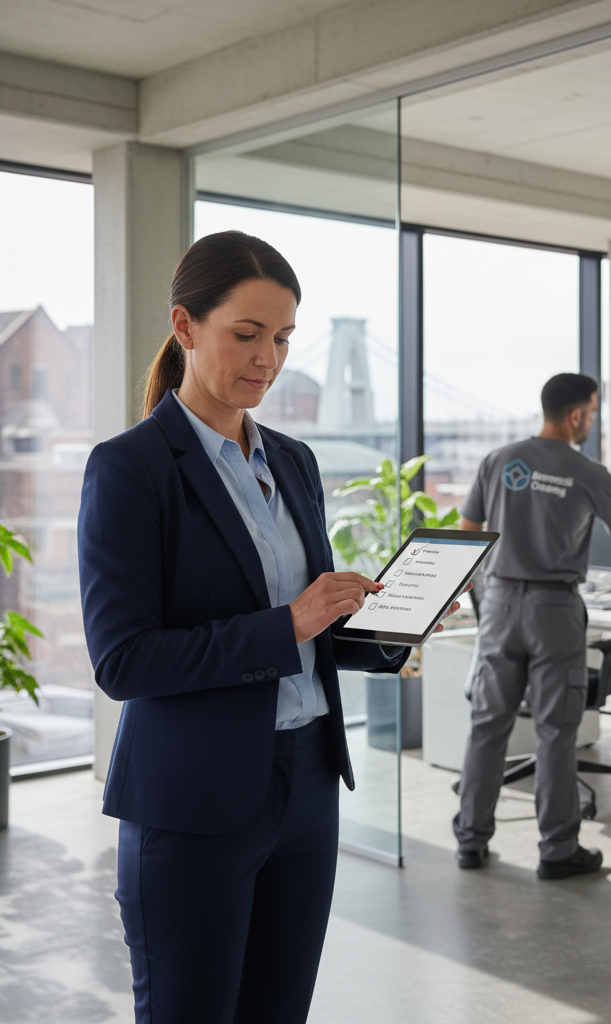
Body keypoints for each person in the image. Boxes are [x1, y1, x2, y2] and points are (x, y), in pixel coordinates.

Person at [78, 230, 459, 1024]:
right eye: (247, 335)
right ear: (185, 328)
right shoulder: (131, 469)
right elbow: (124, 661)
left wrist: (392, 627)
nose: (269, 359)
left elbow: (311, 631)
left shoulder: (294, 461)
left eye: (283, 339)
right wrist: (289, 622)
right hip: (193, 802)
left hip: (308, 785)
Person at [454, 372, 611, 879]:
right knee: (555, 732)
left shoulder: (499, 460)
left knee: (488, 726)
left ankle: (470, 839)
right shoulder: (588, 472)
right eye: (592, 413)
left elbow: (465, 536)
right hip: (555, 612)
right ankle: (557, 851)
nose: (591, 422)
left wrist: (484, 597)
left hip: (501, 603)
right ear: (576, 415)